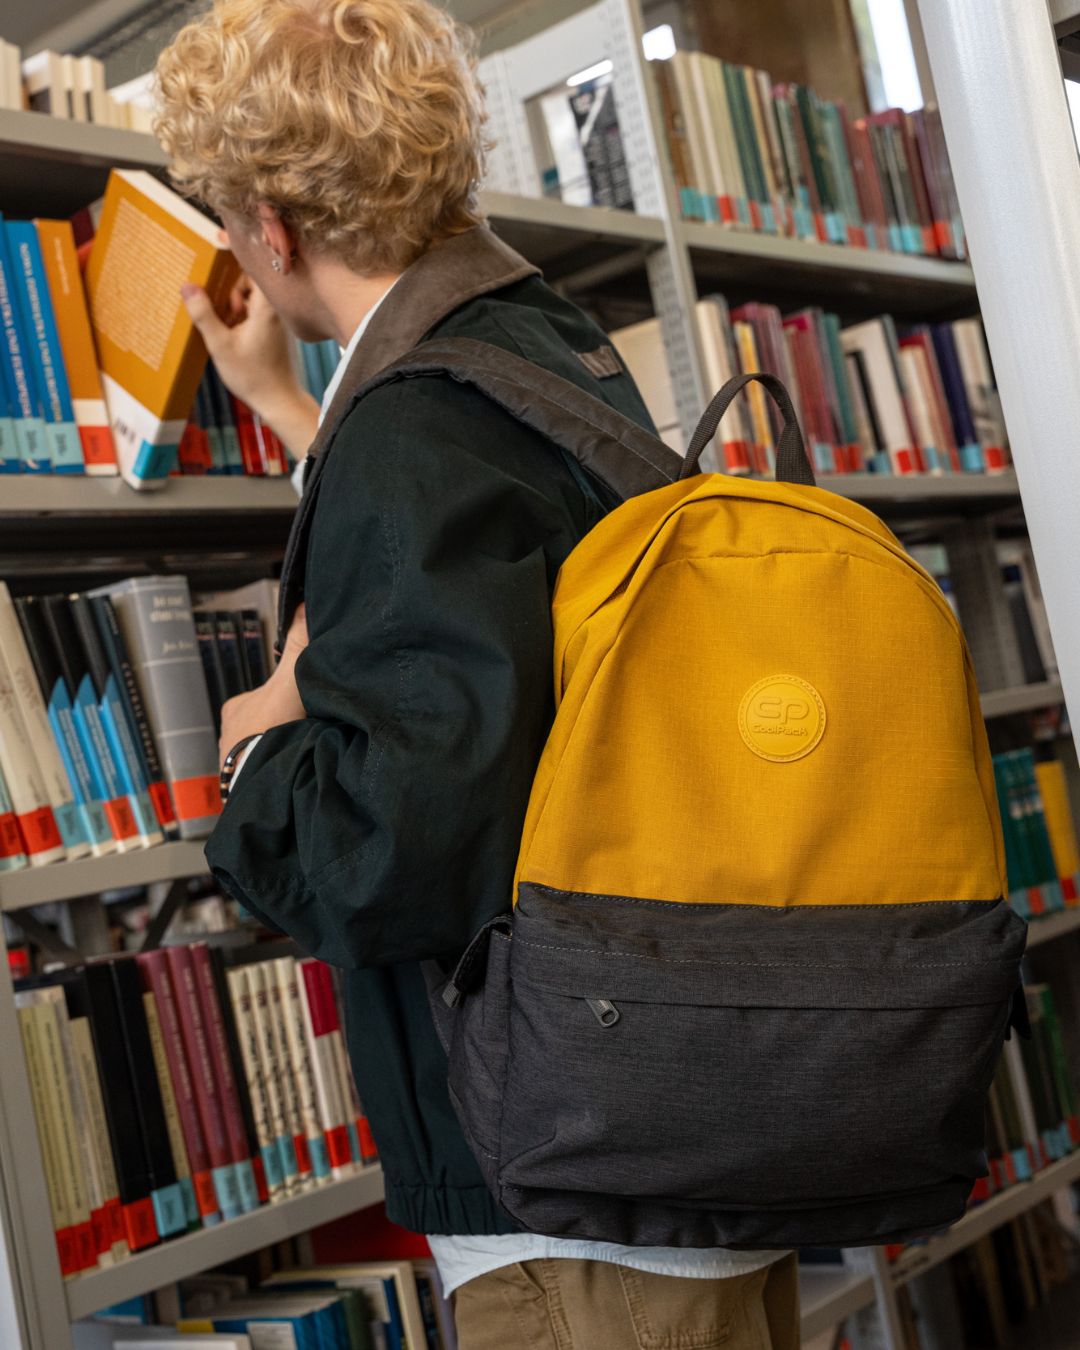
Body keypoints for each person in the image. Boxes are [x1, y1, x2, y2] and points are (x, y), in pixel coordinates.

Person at [155, 1, 800, 1345]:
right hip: (672, 1140)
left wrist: (257, 755)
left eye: (225, 212)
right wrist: (295, 411)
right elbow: (485, 596)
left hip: (571, 1215)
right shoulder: (547, 344)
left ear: (272, 224)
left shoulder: (411, 433)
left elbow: (406, 850)